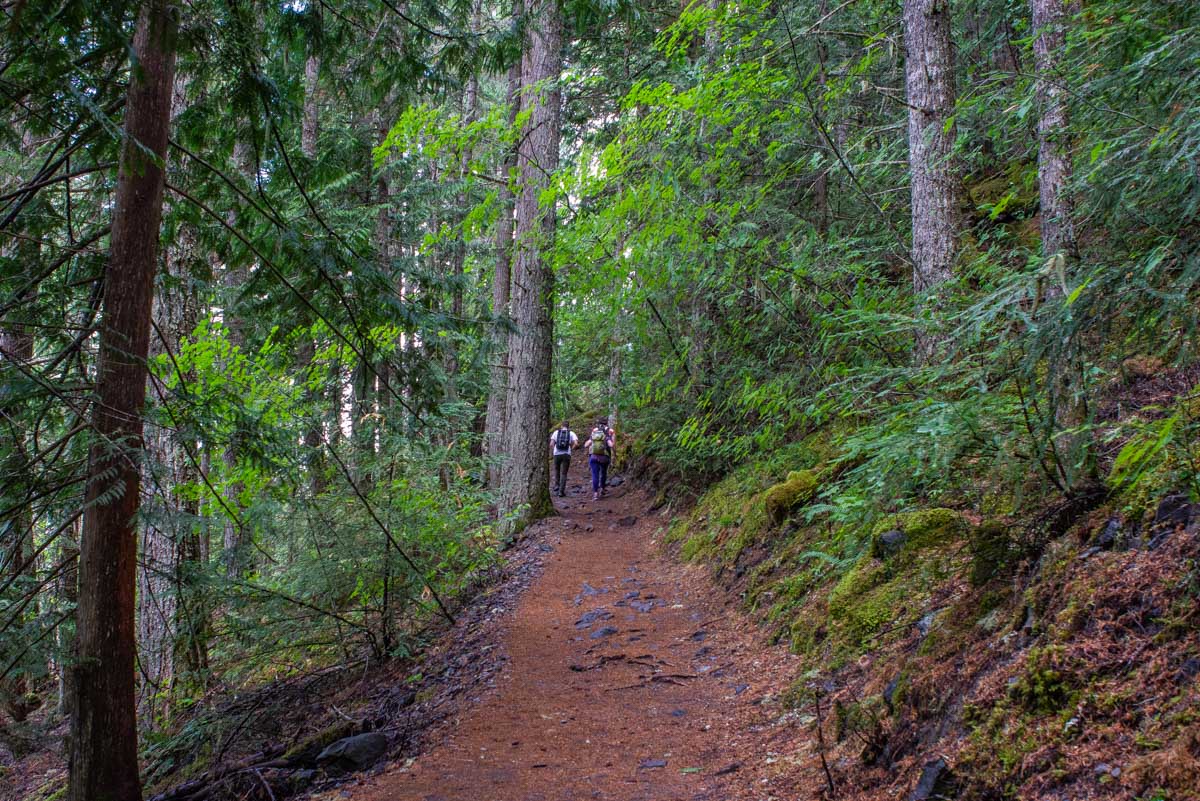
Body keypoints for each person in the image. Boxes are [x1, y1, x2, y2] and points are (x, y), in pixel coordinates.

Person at [583, 419, 614, 501]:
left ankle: (595, 494)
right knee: (603, 473)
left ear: (599, 424)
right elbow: (611, 445)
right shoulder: (610, 432)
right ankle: (603, 489)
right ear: (607, 423)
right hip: (605, 457)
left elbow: (586, 445)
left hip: (593, 457)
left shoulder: (594, 432)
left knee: (594, 475)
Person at [549, 421, 577, 497]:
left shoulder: (556, 432)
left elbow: (551, 444)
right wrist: (571, 449)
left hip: (557, 454)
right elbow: (576, 443)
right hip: (566, 454)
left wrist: (554, 450)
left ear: (561, 426)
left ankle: (556, 485)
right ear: (568, 426)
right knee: (564, 473)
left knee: (557, 469)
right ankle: (561, 492)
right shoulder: (571, 433)